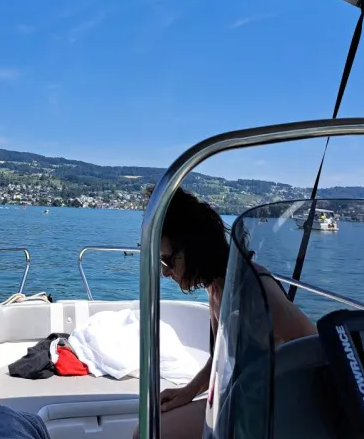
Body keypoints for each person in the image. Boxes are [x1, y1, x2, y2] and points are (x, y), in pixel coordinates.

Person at [133, 187, 317, 439]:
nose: (164, 272)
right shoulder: (217, 287)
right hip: (240, 397)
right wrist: (188, 391)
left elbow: (315, 345)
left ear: (193, 248)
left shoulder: (256, 288)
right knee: (147, 428)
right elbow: (219, 357)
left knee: (150, 434)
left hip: (268, 410)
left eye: (167, 260)